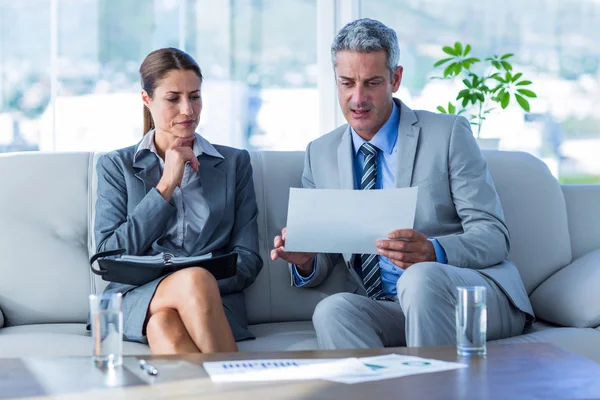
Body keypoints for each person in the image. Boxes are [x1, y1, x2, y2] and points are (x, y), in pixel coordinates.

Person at [270, 18, 534, 349]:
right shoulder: (320, 154)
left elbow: (494, 236)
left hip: (469, 298)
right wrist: (306, 259)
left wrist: (433, 251)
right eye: (347, 83)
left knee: (419, 277)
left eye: (372, 83)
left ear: (395, 79)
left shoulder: (448, 134)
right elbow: (326, 259)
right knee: (332, 310)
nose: (358, 98)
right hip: (390, 306)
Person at [94, 48, 262, 354]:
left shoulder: (234, 163)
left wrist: (197, 289)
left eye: (195, 96)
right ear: (147, 99)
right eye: (173, 99)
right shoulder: (116, 166)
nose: (188, 110)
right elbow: (108, 256)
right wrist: (166, 184)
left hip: (214, 304)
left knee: (164, 325)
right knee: (192, 282)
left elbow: (248, 259)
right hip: (136, 296)